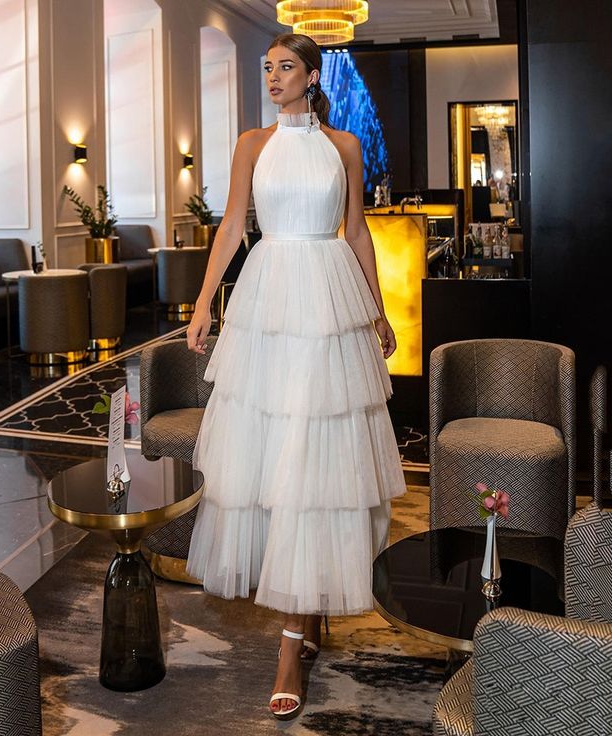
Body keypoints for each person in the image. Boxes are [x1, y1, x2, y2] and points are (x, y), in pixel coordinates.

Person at [184, 33, 406, 720]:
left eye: (285, 68)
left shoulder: (344, 147)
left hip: (330, 300)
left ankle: (292, 645)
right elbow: (230, 229)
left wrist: (374, 309)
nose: (273, 77)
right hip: (269, 300)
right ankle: (300, 624)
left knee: (319, 460)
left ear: (311, 77)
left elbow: (358, 232)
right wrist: (201, 305)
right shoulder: (252, 143)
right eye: (267, 68)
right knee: (274, 458)